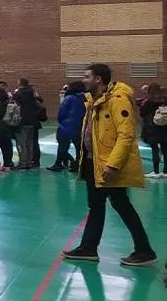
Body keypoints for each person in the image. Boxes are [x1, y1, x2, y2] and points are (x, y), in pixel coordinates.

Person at [62, 64, 157, 267]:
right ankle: (89, 247)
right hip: (93, 162)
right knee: (101, 205)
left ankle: (143, 250)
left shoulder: (117, 100)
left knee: (120, 206)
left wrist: (113, 165)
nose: (83, 80)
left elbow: (126, 135)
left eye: (87, 76)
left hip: (107, 165)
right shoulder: (94, 100)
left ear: (98, 79)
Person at [48, 81, 86, 173]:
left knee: (62, 147)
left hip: (66, 126)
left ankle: (59, 164)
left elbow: (62, 112)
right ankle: (78, 165)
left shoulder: (69, 98)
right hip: (80, 126)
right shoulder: (85, 98)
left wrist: (61, 121)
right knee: (79, 148)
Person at [14, 78, 43, 169]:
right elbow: (41, 105)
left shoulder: (17, 94)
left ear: (19, 83)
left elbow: (13, 104)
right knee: (31, 143)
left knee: (22, 143)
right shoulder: (33, 94)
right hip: (33, 121)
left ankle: (23, 163)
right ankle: (30, 162)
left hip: (22, 121)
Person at [139, 83, 167, 178]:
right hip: (164, 128)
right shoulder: (165, 100)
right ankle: (165, 171)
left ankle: (156, 171)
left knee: (155, 149)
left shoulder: (149, 102)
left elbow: (142, 113)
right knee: (165, 149)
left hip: (152, 129)